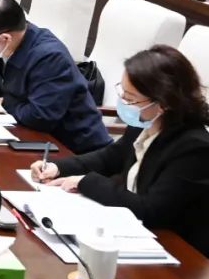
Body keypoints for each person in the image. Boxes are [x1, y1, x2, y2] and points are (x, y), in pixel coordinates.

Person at [31, 46, 209, 255]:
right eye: (122, 92)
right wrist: (58, 167)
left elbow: (152, 210)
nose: (124, 102)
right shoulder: (145, 120)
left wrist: (85, 182)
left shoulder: (194, 148)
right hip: (132, 230)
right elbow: (111, 157)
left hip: (175, 250)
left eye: (131, 98)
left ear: (163, 103)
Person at [0, 0, 111, 153]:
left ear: (5, 38)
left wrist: (4, 103)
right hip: (38, 139)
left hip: (77, 150)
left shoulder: (50, 57)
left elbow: (40, 116)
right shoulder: (13, 43)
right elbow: (1, 78)